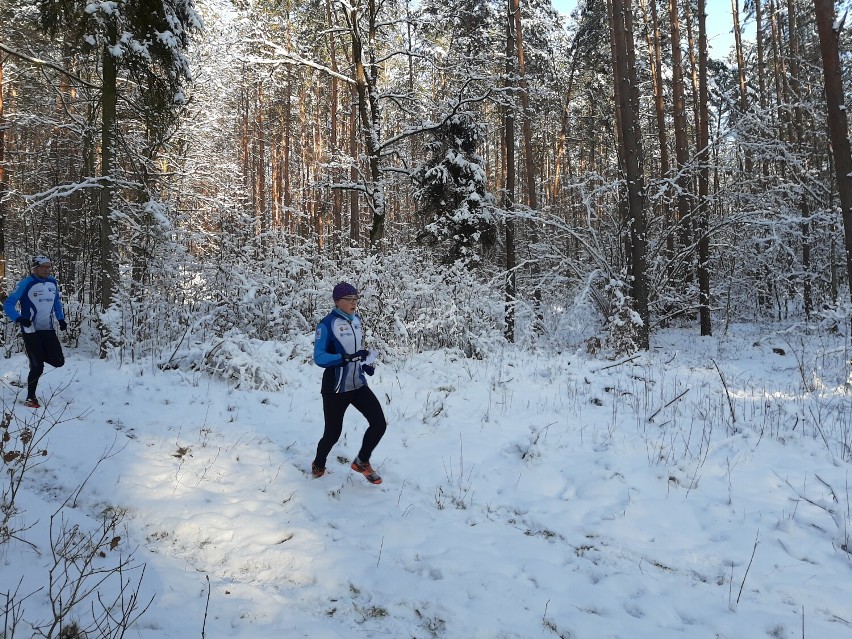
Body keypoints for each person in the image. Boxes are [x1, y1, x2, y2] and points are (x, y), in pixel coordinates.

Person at [311, 282, 387, 484]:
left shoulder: (356, 321)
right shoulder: (326, 324)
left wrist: (365, 363)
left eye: (356, 299)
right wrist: (347, 358)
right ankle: (318, 463)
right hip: (336, 388)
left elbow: (356, 351)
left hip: (357, 384)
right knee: (332, 434)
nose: (354, 303)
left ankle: (362, 461)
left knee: (379, 424)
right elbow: (319, 357)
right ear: (337, 301)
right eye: (349, 299)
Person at [3, 256, 67, 408]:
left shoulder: (52, 282)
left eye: (48, 267)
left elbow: (56, 302)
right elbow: (9, 304)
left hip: (47, 328)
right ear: (35, 268)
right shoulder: (26, 283)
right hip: (30, 329)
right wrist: (18, 318)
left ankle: (34, 357)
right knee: (38, 367)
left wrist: (61, 319)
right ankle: (30, 398)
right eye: (43, 267)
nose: (46, 270)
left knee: (59, 362)